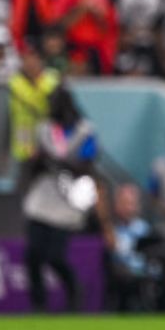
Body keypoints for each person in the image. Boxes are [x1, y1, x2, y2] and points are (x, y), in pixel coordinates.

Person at [22, 86, 97, 312]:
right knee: (33, 255)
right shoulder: (45, 130)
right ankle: (39, 303)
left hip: (68, 197)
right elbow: (32, 167)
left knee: (55, 255)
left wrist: (60, 163)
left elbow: (87, 165)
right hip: (43, 196)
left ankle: (74, 290)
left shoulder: (85, 131)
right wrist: (37, 161)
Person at [99, 183, 158, 312]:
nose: (129, 208)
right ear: (116, 205)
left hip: (143, 273)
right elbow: (113, 247)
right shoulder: (111, 228)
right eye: (124, 203)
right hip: (121, 274)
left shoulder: (144, 228)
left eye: (132, 203)